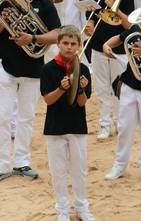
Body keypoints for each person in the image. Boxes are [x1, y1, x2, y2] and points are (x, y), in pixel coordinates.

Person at [0, 0, 62, 186]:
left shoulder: (44, 3)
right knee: (2, 118)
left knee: (26, 118)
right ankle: (0, 166)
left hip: (34, 67)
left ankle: (21, 162)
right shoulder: (2, 1)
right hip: (5, 66)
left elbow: (57, 34)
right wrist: (3, 20)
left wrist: (33, 39)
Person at [102, 0, 141, 183]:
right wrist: (107, 45)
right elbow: (120, 38)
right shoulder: (135, 30)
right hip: (130, 84)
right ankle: (120, 165)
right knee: (124, 127)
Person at [40, 26, 95, 221]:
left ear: (79, 46)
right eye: (65, 43)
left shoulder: (84, 70)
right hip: (55, 127)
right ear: (58, 44)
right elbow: (48, 100)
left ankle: (82, 207)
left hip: (77, 127)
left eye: (73, 44)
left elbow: (82, 102)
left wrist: (80, 89)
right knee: (58, 172)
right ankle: (62, 209)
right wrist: (62, 89)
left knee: (79, 170)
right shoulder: (48, 69)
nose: (69, 48)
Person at [84, 0, 134, 140]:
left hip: (118, 50)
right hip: (97, 47)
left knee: (119, 88)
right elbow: (90, 18)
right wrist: (89, 24)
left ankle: (121, 123)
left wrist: (115, 8)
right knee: (102, 88)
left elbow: (129, 25)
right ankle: (105, 123)